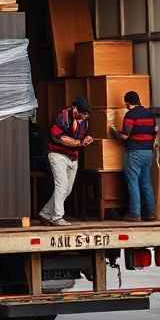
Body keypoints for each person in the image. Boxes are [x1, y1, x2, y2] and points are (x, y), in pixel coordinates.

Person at [39, 96, 93, 226]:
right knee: (61, 186)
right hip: (58, 155)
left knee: (67, 189)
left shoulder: (84, 121)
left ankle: (45, 213)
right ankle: (57, 217)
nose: (85, 117)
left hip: (73, 157)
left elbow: (82, 137)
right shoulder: (62, 116)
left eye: (87, 115)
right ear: (75, 109)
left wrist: (87, 139)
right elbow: (58, 137)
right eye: (83, 114)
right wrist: (79, 142)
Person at [111, 91, 158, 222]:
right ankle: (150, 213)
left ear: (128, 103)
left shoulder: (130, 115)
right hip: (148, 152)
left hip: (134, 152)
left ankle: (135, 214)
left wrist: (114, 132)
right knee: (146, 183)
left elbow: (125, 136)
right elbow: (155, 132)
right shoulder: (150, 114)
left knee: (133, 182)